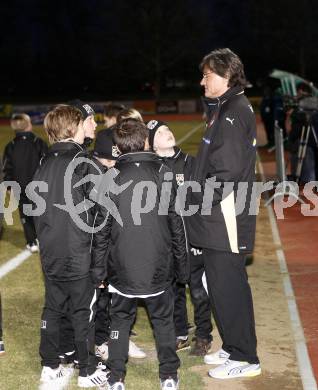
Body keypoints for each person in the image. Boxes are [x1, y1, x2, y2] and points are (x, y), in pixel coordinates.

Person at [93, 118, 188, 390]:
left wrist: (99, 269)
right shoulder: (164, 172)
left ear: (118, 146)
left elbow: (101, 231)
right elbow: (177, 224)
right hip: (159, 263)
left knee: (119, 320)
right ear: (146, 141)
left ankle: (116, 377)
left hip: (122, 265)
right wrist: (183, 266)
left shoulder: (110, 177)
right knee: (163, 320)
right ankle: (168, 375)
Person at [187, 48, 261, 379]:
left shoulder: (233, 111)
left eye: (207, 75)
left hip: (226, 214)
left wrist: (198, 201)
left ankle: (245, 357)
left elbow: (226, 172)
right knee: (219, 283)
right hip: (218, 214)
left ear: (226, 75)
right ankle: (233, 346)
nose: (202, 80)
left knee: (228, 284)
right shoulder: (223, 108)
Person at [34, 104, 108, 388]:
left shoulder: (44, 163)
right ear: (73, 127)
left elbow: (35, 210)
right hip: (79, 252)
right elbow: (105, 213)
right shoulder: (85, 163)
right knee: (83, 312)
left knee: (53, 309)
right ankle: (87, 370)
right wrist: (101, 258)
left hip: (52, 252)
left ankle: (50, 365)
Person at [146, 119, 213, 355]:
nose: (168, 133)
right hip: (168, 245)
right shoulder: (151, 169)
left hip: (194, 241)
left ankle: (204, 335)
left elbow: (205, 203)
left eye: (168, 129)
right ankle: (181, 333)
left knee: (198, 291)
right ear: (151, 144)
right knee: (173, 292)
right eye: (160, 132)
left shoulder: (191, 163)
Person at [92, 129, 146, 361]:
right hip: (95, 250)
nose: (113, 165)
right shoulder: (89, 173)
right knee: (100, 300)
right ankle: (100, 341)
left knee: (120, 298)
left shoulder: (114, 175)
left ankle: (117, 338)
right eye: (108, 160)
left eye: (116, 160)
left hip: (116, 249)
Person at [2, 113, 48, 252]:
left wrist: (9, 185)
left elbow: (6, 168)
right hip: (38, 186)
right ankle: (42, 239)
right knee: (41, 212)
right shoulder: (38, 142)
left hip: (19, 187)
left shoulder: (10, 146)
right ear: (29, 125)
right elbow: (46, 163)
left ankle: (32, 242)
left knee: (25, 214)